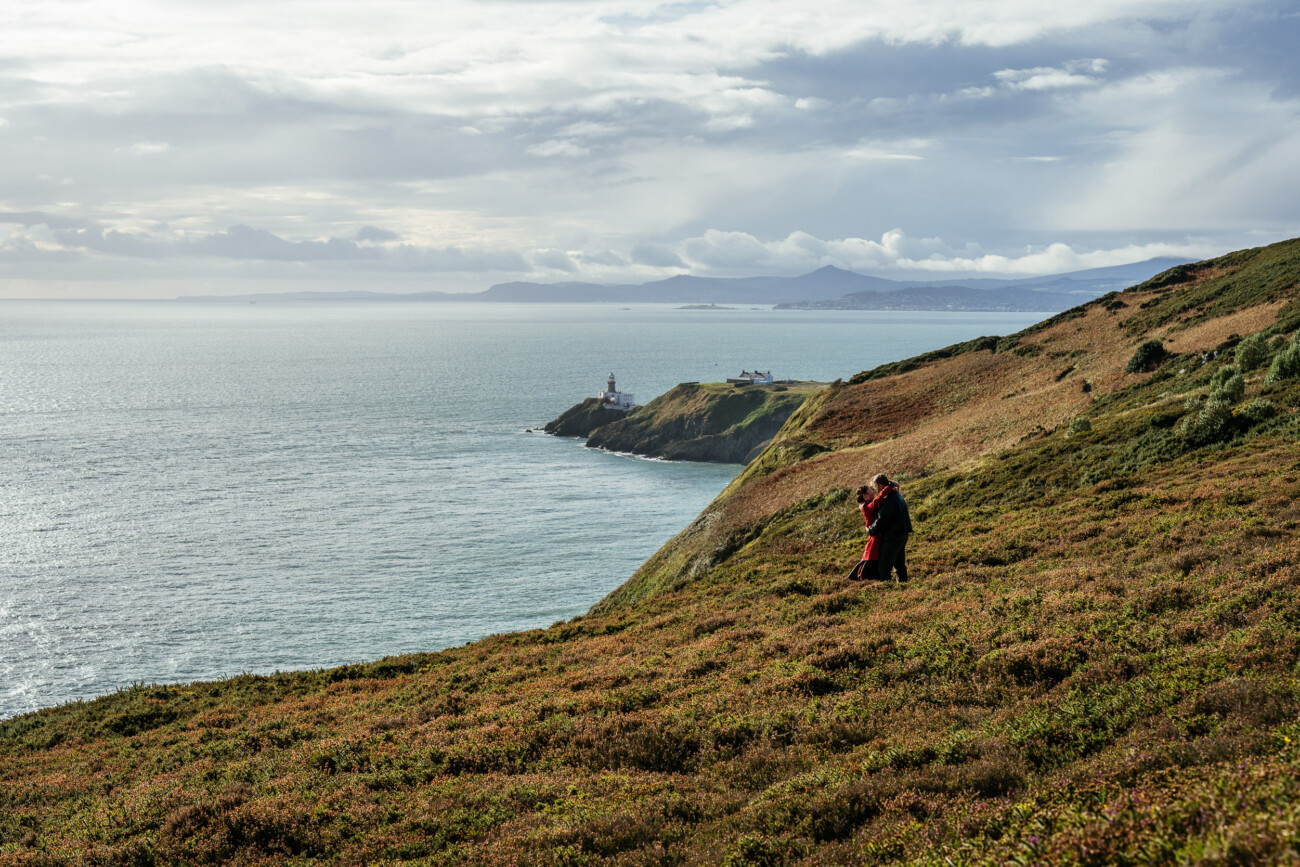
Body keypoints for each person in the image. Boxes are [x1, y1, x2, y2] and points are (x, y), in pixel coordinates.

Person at [867, 473, 912, 582]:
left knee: (884, 568)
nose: (876, 490)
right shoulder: (897, 495)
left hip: (893, 537)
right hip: (902, 534)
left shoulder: (888, 499)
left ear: (880, 486)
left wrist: (870, 530)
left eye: (875, 487)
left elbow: (882, 520)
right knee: (899, 565)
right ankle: (903, 586)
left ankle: (886, 590)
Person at [846, 484, 881, 580]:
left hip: (874, 535)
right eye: (870, 492)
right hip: (874, 536)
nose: (873, 493)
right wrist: (887, 489)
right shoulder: (865, 506)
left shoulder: (865, 504)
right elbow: (876, 502)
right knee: (872, 559)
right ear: (865, 496)